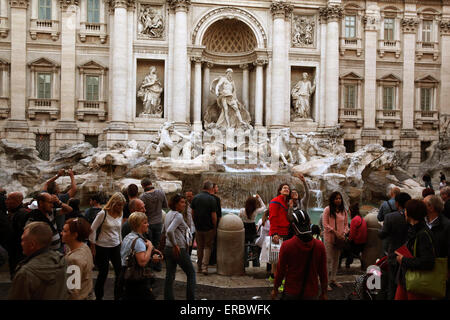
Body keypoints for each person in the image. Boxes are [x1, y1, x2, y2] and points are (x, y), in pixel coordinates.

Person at [271, 210, 327, 300]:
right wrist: (324, 293)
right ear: (309, 223)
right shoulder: (320, 246)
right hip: (312, 293)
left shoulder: (287, 246)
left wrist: (275, 289)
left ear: (293, 226)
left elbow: (280, 271)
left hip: (291, 291)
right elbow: (323, 273)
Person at [8, 222, 68, 300]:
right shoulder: (61, 260)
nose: (21, 243)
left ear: (32, 245)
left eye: (23, 240)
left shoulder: (25, 274)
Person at [395, 199, 436, 300]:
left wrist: (403, 260)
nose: (404, 212)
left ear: (411, 213)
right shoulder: (414, 229)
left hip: (417, 283)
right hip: (406, 280)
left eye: (406, 210)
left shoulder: (423, 234)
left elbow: (428, 262)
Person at [89, 192, 126, 300]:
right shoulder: (103, 213)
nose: (120, 207)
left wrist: (121, 243)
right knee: (103, 273)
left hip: (115, 245)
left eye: (122, 205)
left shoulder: (121, 212)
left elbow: (119, 230)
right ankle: (99, 297)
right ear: (113, 203)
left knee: (119, 272)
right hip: (102, 246)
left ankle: (117, 296)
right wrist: (93, 245)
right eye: (119, 205)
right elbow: (93, 229)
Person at [120, 211, 162, 300]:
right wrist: (150, 247)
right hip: (136, 278)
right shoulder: (138, 241)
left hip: (125, 274)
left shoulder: (128, 237)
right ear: (139, 224)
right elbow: (142, 262)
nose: (148, 225)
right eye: (145, 223)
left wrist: (150, 257)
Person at [378, 192, 412, 300]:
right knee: (407, 284)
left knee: (392, 284)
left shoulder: (390, 217)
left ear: (397, 204)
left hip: (394, 254)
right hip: (409, 255)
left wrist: (380, 229)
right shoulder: (414, 216)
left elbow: (382, 235)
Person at [163, 194, 196, 300]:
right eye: (182, 202)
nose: (184, 204)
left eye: (184, 202)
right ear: (176, 204)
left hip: (168, 248)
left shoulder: (168, 214)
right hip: (178, 248)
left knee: (170, 275)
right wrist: (175, 245)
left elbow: (163, 231)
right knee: (191, 273)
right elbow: (169, 231)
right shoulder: (178, 215)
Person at [423, 195, 450, 298]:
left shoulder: (447, 225)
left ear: (431, 207)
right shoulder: (422, 221)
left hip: (439, 270)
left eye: (423, 204)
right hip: (423, 268)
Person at [62, 217, 94, 300]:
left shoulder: (73, 260)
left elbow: (73, 291)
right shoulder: (85, 247)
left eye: (65, 231)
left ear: (74, 235)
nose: (61, 233)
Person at [322, 191, 349, 291]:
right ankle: (326, 282)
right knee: (328, 260)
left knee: (336, 260)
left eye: (339, 198)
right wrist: (335, 232)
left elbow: (346, 224)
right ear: (332, 200)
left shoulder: (343, 211)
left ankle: (333, 279)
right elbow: (325, 224)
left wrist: (344, 233)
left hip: (340, 239)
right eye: (336, 198)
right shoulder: (327, 210)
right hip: (329, 238)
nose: (338, 200)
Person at [140, 178, 168, 271]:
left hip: (148, 224)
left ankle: (149, 265)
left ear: (143, 186)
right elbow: (165, 206)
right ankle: (158, 265)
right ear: (151, 183)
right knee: (157, 244)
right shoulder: (161, 193)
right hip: (159, 222)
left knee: (148, 245)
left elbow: (142, 210)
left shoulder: (143, 196)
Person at [191, 181, 217, 275]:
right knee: (207, 247)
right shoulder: (211, 199)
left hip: (198, 227)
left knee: (200, 247)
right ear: (210, 188)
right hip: (209, 227)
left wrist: (195, 223)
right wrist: (214, 226)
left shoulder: (195, 198)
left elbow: (192, 213)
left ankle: (198, 268)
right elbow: (213, 216)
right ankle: (204, 267)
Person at [44, 168, 77, 233]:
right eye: (57, 186)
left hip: (46, 228)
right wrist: (72, 176)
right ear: (56, 190)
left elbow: (46, 183)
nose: (58, 187)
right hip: (58, 228)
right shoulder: (60, 198)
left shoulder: (45, 196)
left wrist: (58, 175)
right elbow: (74, 189)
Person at [5, 192, 29, 278]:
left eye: (9, 199)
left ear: (17, 201)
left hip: (19, 252)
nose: (6, 201)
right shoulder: (15, 212)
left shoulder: (22, 214)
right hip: (14, 251)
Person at [239, 194, 266, 267]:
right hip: (252, 228)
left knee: (244, 246)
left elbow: (239, 219)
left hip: (244, 228)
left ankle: (245, 263)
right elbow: (264, 207)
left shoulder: (242, 210)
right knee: (254, 246)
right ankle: (256, 263)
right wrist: (259, 198)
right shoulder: (256, 211)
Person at [342, 203, 367, 268]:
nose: (349, 212)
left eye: (349, 211)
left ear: (352, 211)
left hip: (356, 244)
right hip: (362, 243)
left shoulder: (354, 220)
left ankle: (346, 264)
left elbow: (351, 236)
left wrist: (346, 239)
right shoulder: (361, 218)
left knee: (341, 247)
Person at [209, 183, 222, 266]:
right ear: (213, 188)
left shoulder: (204, 197)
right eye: (217, 187)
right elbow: (219, 214)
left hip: (205, 223)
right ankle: (212, 260)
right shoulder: (216, 199)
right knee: (214, 242)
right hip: (214, 223)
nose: (218, 189)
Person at [185, 190, 196, 255]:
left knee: (191, 244)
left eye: (190, 196)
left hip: (194, 227)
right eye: (187, 196)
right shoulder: (184, 204)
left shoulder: (197, 203)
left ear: (193, 196)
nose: (188, 198)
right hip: (187, 227)